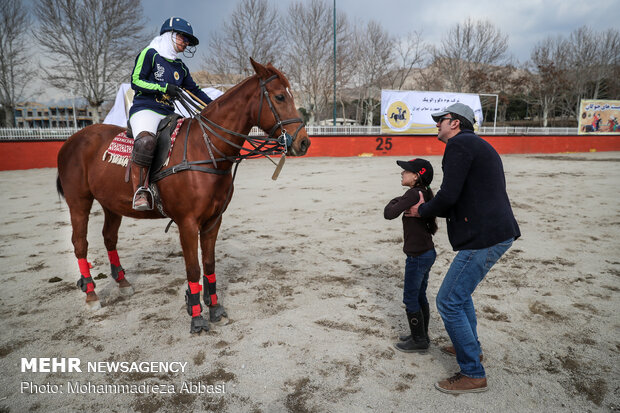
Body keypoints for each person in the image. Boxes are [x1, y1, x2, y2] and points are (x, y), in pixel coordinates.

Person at [408, 102, 520, 394]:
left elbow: (449, 196)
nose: (437, 124)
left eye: (440, 120)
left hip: (486, 235)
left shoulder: (459, 145)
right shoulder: (474, 144)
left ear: (455, 123)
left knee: (448, 300)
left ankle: (473, 372)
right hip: (492, 232)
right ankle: (471, 348)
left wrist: (423, 210)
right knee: (460, 294)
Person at [128, 17, 213, 210]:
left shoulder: (180, 67)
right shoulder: (149, 54)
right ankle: (140, 191)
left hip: (168, 113)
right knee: (146, 142)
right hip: (145, 109)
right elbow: (136, 81)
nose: (186, 43)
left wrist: (216, 106)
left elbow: (195, 91)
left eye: (188, 41)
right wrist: (164, 87)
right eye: (184, 38)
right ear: (171, 35)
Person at [384, 158, 438, 353]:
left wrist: (395, 200)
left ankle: (419, 340)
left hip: (417, 255)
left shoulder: (413, 194)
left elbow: (389, 213)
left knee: (410, 297)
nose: (402, 173)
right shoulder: (424, 193)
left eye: (405, 171)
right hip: (427, 252)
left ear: (416, 176)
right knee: (420, 294)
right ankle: (421, 334)